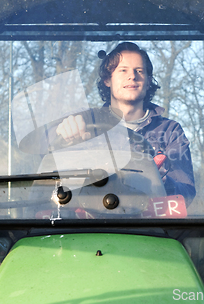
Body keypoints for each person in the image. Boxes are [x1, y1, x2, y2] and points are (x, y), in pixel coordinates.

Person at [56, 42, 196, 205]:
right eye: (123, 70)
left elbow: (185, 194)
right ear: (108, 80)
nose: (132, 76)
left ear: (148, 81)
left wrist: (163, 183)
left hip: (148, 227)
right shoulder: (85, 126)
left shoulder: (170, 131)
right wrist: (65, 135)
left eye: (139, 71)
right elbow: (56, 186)